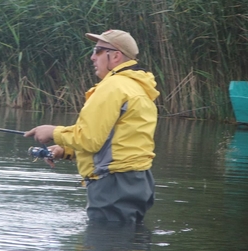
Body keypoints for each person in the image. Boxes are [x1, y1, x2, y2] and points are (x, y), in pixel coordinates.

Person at [24, 29, 160, 223]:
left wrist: (53, 132)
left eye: (97, 50)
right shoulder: (137, 87)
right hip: (137, 181)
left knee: (105, 249)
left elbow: (90, 139)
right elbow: (115, 138)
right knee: (126, 247)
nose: (92, 57)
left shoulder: (112, 87)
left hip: (113, 184)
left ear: (115, 56)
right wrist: (67, 150)